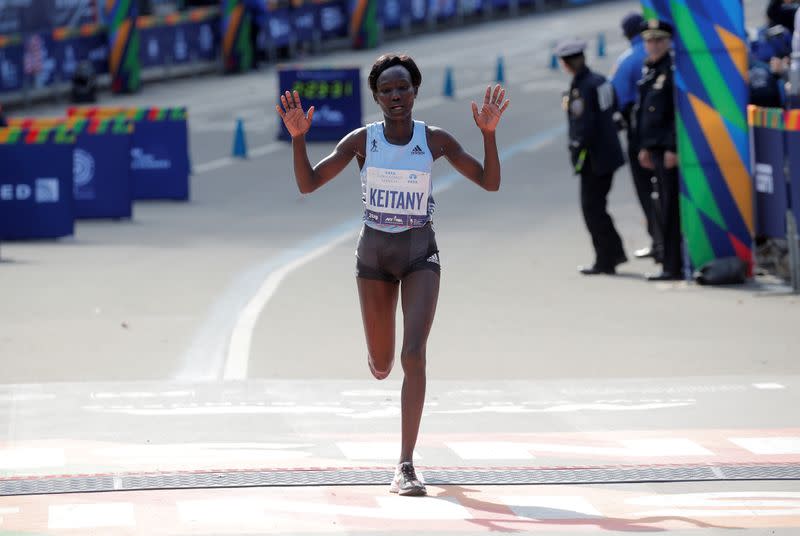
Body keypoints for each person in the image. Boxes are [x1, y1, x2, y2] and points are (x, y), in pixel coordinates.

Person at [276, 53, 509, 496]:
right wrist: (298, 139)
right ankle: (377, 358)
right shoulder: (362, 142)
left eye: (403, 88)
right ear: (376, 97)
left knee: (414, 355)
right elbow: (308, 184)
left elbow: (490, 181)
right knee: (383, 365)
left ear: (415, 91)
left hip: (421, 253)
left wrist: (489, 135)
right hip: (375, 261)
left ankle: (405, 464)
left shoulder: (434, 140)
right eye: (387, 90)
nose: (396, 96)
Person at [556, 38, 627, 275]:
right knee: (598, 207)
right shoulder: (600, 81)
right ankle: (614, 253)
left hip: (595, 159)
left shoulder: (582, 88)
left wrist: (576, 149)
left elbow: (584, 125)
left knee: (592, 210)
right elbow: (614, 113)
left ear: (566, 64)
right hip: (609, 154)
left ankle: (606, 259)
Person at [634, 20, 682, 281]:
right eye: (649, 41)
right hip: (653, 149)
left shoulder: (671, 71)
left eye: (658, 40)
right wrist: (643, 147)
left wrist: (673, 147)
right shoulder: (651, 70)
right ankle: (666, 259)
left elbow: (677, 113)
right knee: (661, 206)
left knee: (670, 209)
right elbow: (645, 115)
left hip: (667, 151)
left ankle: (672, 266)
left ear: (668, 42)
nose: (653, 45)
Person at [611, 12, 659, 261]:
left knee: (645, 189)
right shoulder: (659, 55)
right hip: (663, 133)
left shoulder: (627, 60)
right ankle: (669, 241)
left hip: (638, 132)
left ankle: (657, 241)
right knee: (664, 187)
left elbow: (614, 98)